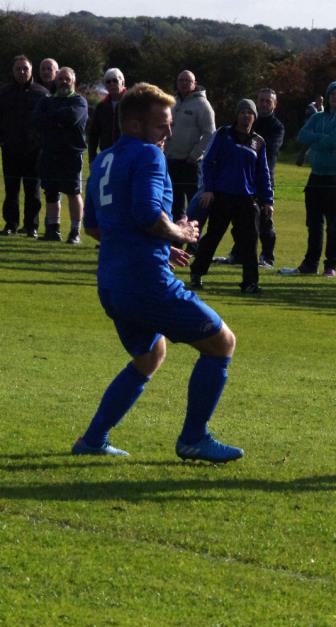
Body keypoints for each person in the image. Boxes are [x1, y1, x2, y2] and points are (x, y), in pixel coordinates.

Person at [73, 82, 243, 463]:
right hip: (147, 284)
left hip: (113, 284)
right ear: (134, 125)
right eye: (160, 125)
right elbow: (149, 215)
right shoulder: (149, 156)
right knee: (222, 343)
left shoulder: (103, 160)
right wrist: (179, 233)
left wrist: (158, 248)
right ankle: (194, 438)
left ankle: (93, 439)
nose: (169, 133)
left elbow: (96, 227)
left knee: (150, 354)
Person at [189, 99, 273, 294]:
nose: (245, 116)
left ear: (254, 116)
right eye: (242, 112)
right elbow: (208, 162)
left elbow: (263, 173)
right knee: (213, 237)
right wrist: (208, 189)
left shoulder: (259, 142)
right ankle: (197, 274)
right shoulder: (223, 134)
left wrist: (268, 199)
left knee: (250, 241)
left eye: (249, 112)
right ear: (236, 115)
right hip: (222, 196)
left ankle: (250, 283)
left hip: (247, 199)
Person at [281, 81, 336, 278]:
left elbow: (332, 142)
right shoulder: (317, 117)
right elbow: (302, 136)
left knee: (333, 222)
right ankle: (310, 264)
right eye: (332, 93)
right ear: (328, 95)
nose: (335, 97)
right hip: (316, 174)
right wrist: (321, 138)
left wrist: (317, 138)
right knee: (313, 222)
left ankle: (331, 266)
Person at [33, 66, 88, 244]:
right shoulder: (46, 100)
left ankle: (74, 231)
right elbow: (37, 120)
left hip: (71, 154)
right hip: (50, 153)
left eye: (67, 79)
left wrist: (52, 119)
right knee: (51, 193)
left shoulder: (79, 101)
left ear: (73, 81)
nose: (64, 81)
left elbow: (73, 118)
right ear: (56, 81)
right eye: (61, 78)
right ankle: (52, 230)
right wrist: (58, 119)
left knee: (73, 192)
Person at [0, 55, 48, 237]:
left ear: (31, 70)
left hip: (34, 152)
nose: (21, 72)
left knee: (32, 191)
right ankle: (10, 224)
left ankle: (31, 226)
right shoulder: (4, 93)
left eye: (25, 69)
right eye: (18, 69)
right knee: (11, 190)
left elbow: (47, 122)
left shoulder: (42, 93)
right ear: (13, 71)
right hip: (10, 149)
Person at [164, 70, 216, 222]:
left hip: (191, 164)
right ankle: (176, 240)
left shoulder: (202, 105)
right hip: (171, 161)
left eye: (188, 81)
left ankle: (194, 244)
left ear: (195, 84)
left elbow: (210, 134)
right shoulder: (173, 102)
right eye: (181, 80)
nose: (184, 83)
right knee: (174, 204)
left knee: (194, 205)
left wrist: (194, 155)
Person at [252, 88, 284, 269]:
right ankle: (239, 253)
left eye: (268, 101)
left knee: (265, 219)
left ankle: (267, 257)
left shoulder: (277, 127)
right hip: (245, 177)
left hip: (265, 178)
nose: (264, 104)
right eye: (261, 100)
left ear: (274, 104)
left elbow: (269, 151)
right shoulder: (251, 120)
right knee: (243, 219)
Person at [88, 68, 126, 162]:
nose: (112, 84)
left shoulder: (132, 103)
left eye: (115, 80)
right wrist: (92, 158)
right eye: (108, 82)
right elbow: (93, 135)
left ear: (122, 82)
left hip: (128, 154)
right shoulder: (101, 107)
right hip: (107, 156)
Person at [295, 95, 324, 167]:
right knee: (305, 147)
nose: (320, 102)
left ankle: (315, 162)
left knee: (311, 148)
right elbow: (311, 116)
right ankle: (299, 161)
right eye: (319, 100)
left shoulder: (322, 108)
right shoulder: (311, 107)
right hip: (309, 130)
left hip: (316, 131)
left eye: (322, 101)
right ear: (316, 100)